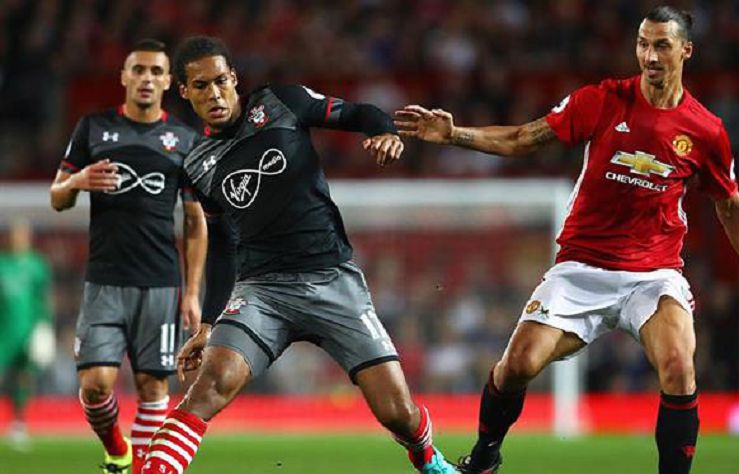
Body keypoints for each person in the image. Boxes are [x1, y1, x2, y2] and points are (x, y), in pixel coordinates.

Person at [395, 6, 739, 474]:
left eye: (662, 45)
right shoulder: (602, 100)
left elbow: (730, 205)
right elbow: (523, 138)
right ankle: (485, 457)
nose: (650, 56)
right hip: (581, 268)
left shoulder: (706, 130)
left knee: (679, 366)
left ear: (686, 50)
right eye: (643, 44)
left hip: (653, 275)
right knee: (518, 365)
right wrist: (454, 135)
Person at [139, 36, 456, 474]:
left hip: (332, 280)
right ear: (184, 91)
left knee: (397, 412)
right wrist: (209, 323)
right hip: (261, 292)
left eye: (220, 81)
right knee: (209, 386)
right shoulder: (196, 163)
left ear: (234, 78)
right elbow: (222, 244)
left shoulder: (282, 103)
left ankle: (427, 456)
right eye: (201, 86)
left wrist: (382, 131)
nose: (214, 94)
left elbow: (359, 113)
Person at [49, 39, 207, 474]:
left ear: (169, 82)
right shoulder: (93, 128)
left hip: (161, 282)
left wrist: (193, 292)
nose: (146, 79)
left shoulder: (185, 140)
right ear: (124, 76)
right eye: (138, 70)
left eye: (156, 72)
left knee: (153, 387)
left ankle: (137, 469)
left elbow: (195, 221)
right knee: (95, 386)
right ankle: (116, 448)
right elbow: (57, 198)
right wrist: (77, 181)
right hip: (104, 280)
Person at [0, 219, 54, 451]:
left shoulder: (37, 265)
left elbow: (44, 298)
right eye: (15, 234)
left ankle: (18, 424)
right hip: (3, 332)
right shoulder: (2, 264)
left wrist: (45, 326)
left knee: (23, 378)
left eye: (22, 235)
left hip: (28, 331)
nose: (18, 239)